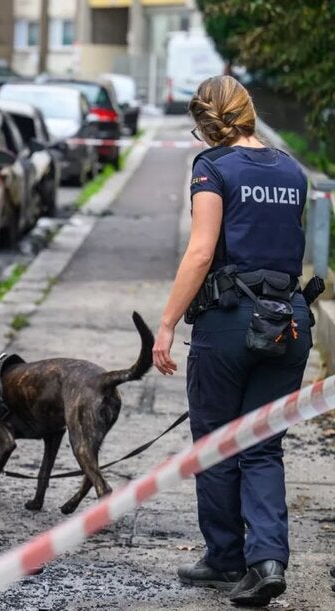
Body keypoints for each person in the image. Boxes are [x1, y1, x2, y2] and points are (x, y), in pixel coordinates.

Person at [152, 75, 311, 607]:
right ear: (247, 110)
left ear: (205, 122)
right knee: (263, 444)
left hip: (228, 321)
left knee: (217, 442)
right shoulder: (292, 168)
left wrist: (169, 322)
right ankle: (266, 561)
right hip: (288, 319)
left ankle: (224, 559)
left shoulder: (212, 167)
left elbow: (200, 252)